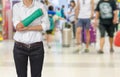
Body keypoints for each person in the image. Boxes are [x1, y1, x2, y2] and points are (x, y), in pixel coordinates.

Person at [12, 0, 50, 77]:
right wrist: (36, 15)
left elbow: (46, 25)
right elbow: (18, 26)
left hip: (37, 47)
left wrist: (28, 28)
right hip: (19, 47)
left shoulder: (40, 6)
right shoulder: (17, 7)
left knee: (36, 75)